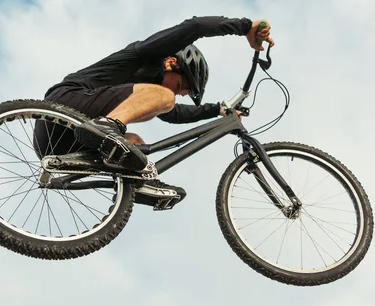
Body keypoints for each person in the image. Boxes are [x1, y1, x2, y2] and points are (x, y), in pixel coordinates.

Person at [38, 15, 274, 208]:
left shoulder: (147, 93)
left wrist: (217, 110)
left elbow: (175, 114)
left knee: (134, 146)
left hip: (56, 145)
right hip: (65, 103)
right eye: (182, 86)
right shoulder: (147, 55)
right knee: (164, 97)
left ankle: (136, 183)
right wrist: (244, 28)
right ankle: (108, 126)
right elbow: (195, 26)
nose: (180, 94)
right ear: (172, 63)